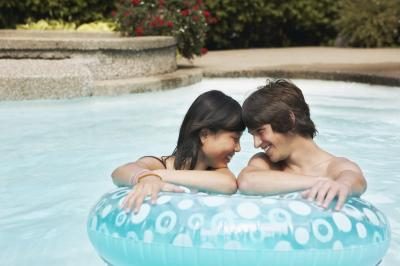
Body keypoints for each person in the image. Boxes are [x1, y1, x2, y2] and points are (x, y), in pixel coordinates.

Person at [238, 79, 367, 210]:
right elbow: (247, 181)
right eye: (253, 135)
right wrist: (319, 182)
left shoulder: (336, 168)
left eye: (260, 131)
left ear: (287, 120)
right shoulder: (265, 163)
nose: (256, 143)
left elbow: (354, 179)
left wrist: (342, 184)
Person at [112, 90, 244, 213]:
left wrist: (158, 175)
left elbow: (229, 184)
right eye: (235, 139)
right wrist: (147, 177)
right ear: (204, 135)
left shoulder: (217, 171)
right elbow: (119, 172)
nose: (238, 148)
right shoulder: (160, 164)